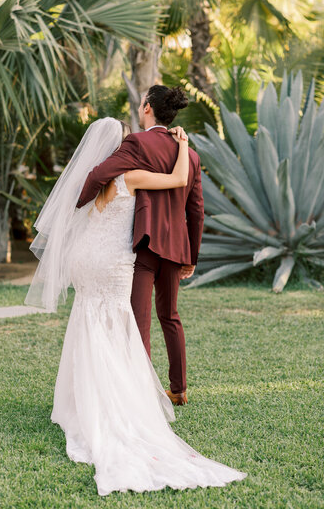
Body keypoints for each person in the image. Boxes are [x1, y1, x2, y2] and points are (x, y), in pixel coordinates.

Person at [25, 112, 247, 496]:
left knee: (89, 322)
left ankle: (79, 402)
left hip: (85, 257)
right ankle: (123, 398)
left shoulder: (97, 178)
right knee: (118, 325)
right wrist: (182, 145)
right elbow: (178, 180)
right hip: (111, 263)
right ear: (123, 148)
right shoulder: (130, 177)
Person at [77, 85, 204, 406]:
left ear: (147, 107)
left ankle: (141, 393)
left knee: (138, 320)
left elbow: (99, 175)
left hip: (144, 247)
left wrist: (74, 208)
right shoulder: (189, 154)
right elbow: (196, 211)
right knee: (171, 316)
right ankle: (179, 388)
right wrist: (192, 255)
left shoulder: (137, 143)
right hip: (176, 248)